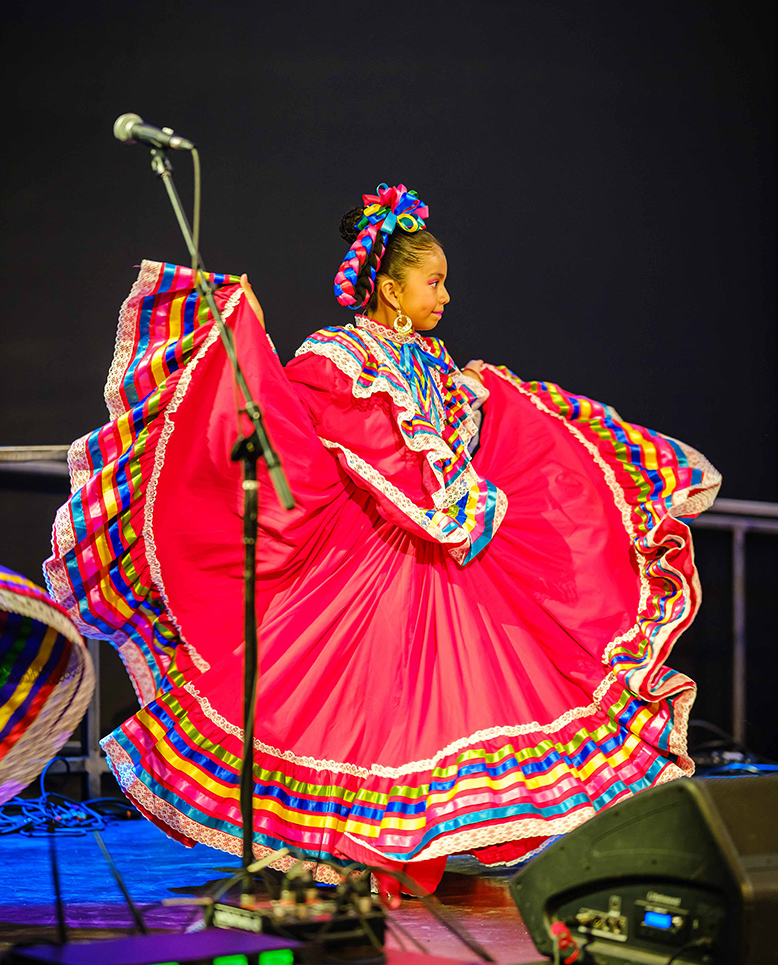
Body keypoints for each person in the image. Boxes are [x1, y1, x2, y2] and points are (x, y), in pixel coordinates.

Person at [45, 183, 720, 903]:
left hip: (440, 561)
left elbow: (452, 439)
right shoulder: (337, 359)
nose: (446, 297)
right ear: (390, 288)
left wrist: (488, 410)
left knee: (447, 715)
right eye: (434, 283)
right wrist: (463, 503)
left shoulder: (429, 360)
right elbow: (379, 452)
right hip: (373, 562)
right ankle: (361, 851)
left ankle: (411, 848)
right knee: (369, 721)